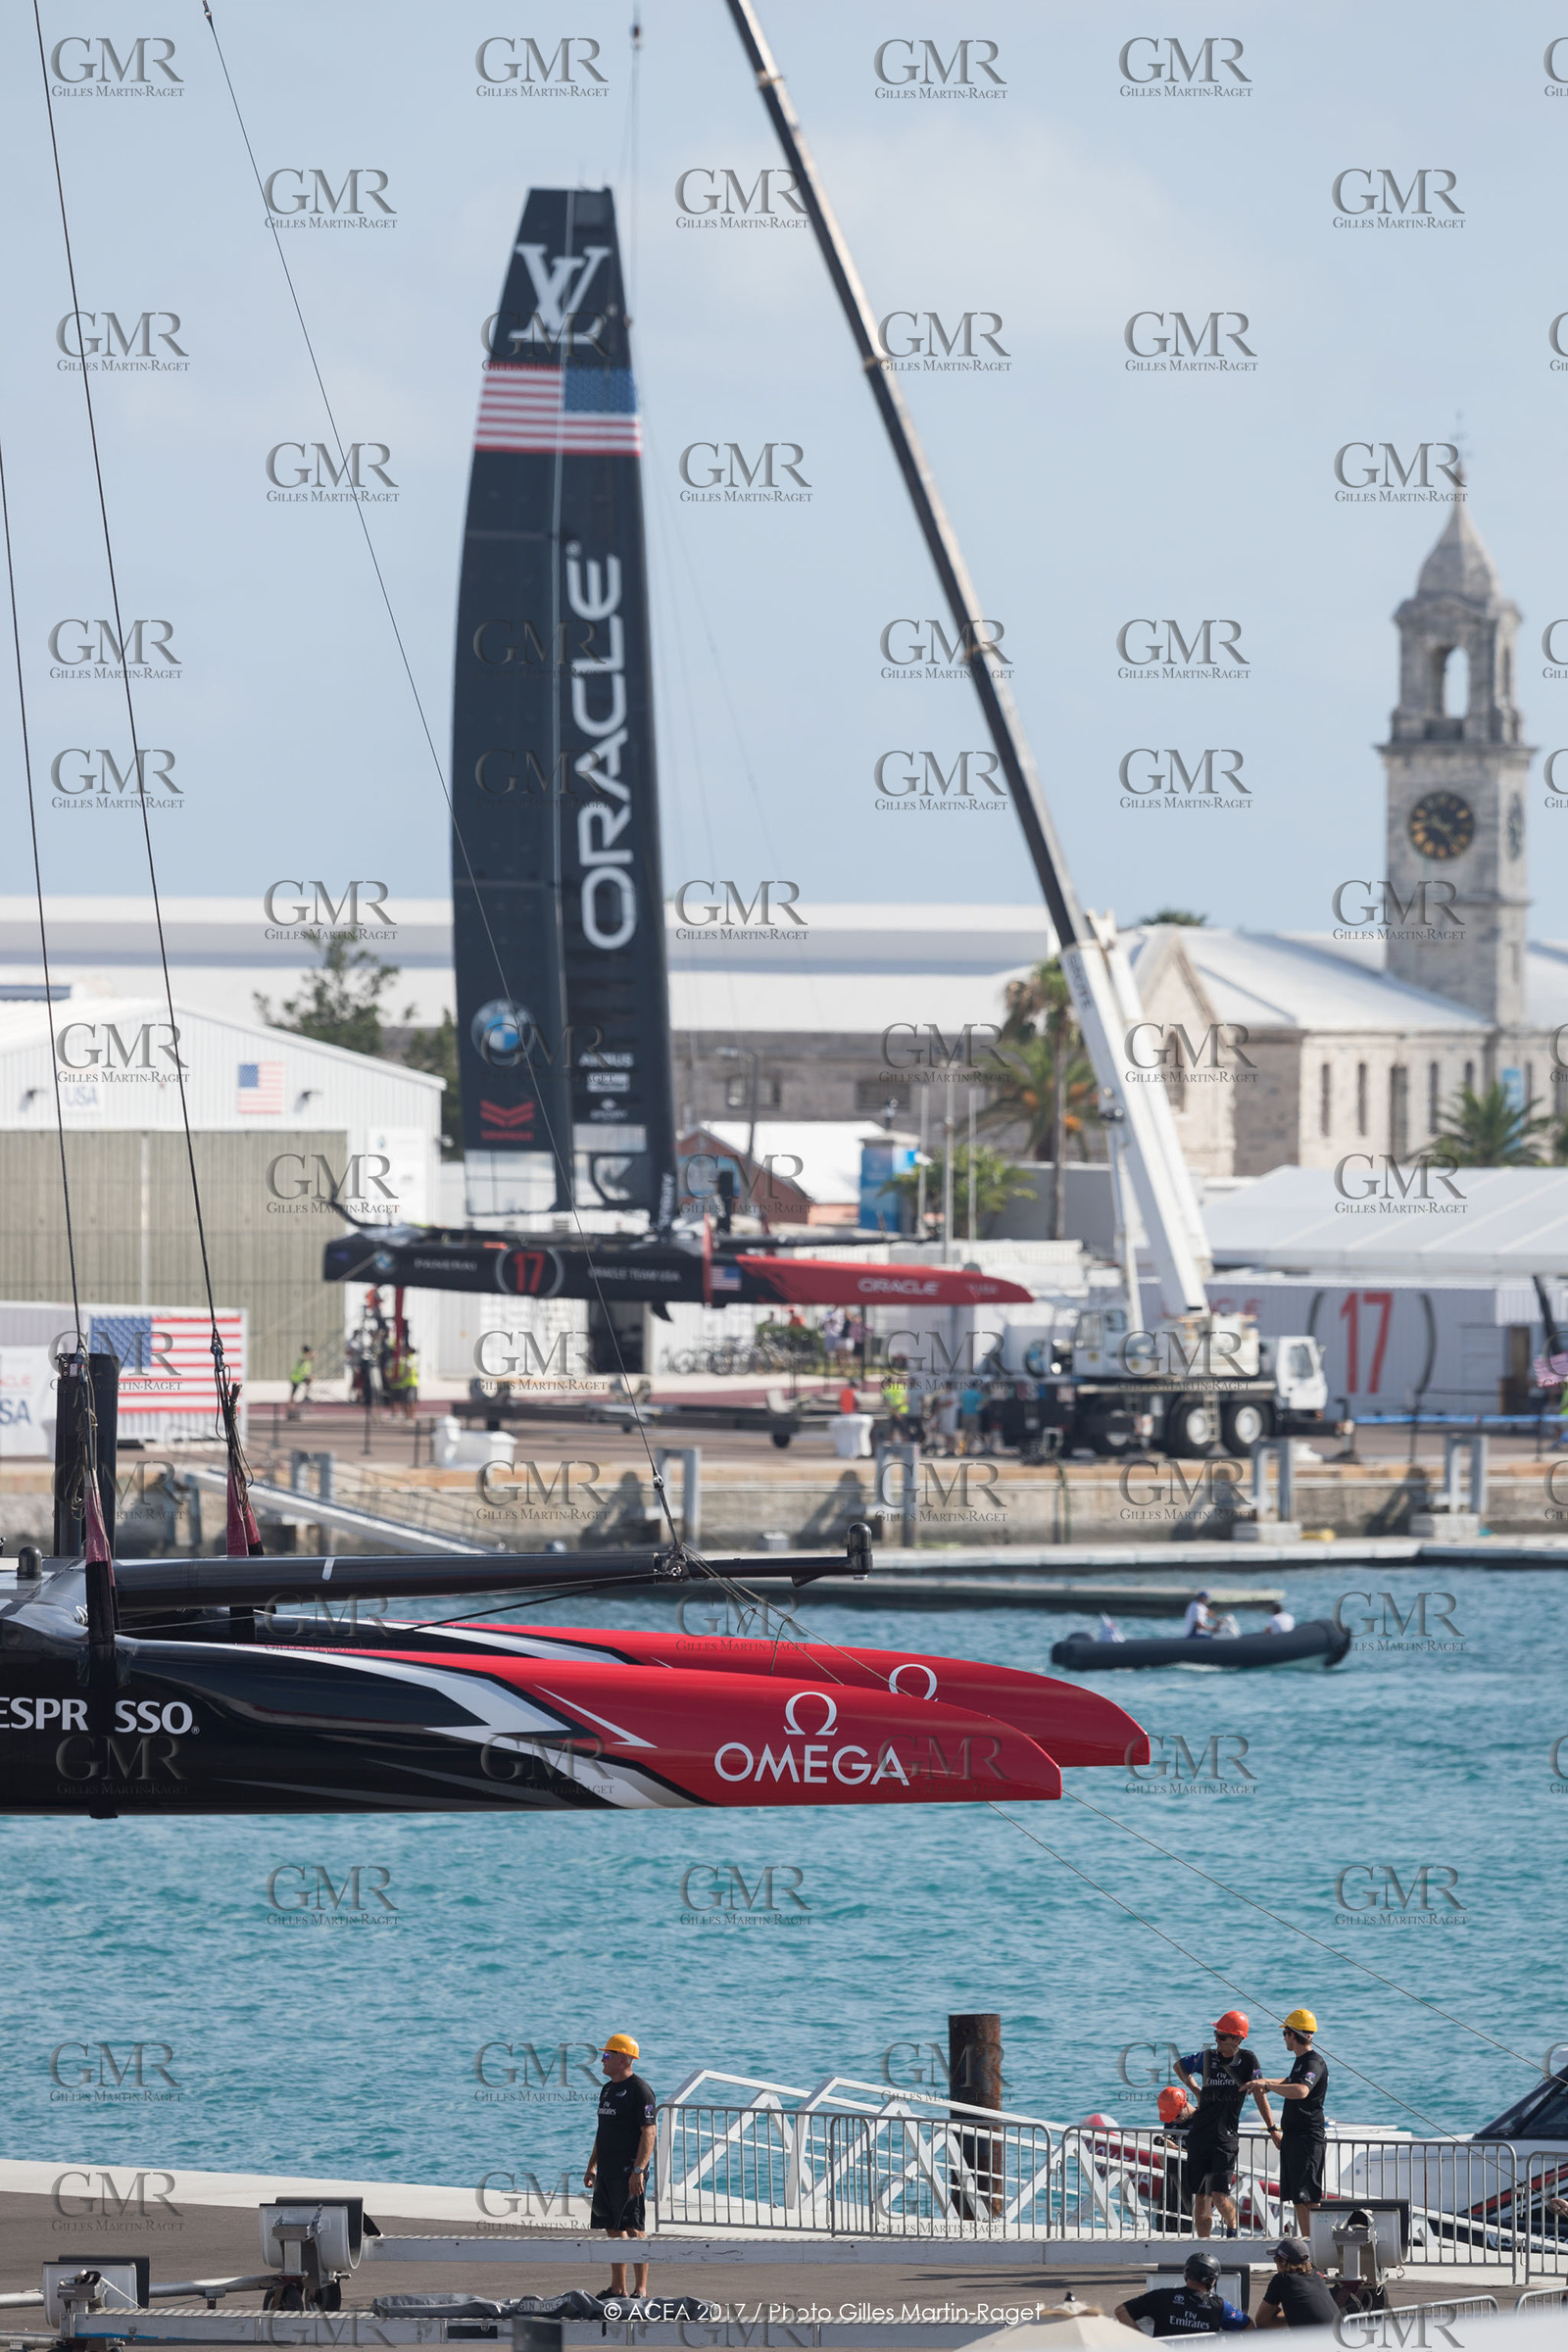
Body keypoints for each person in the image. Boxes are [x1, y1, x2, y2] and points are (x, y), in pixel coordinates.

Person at [1174, 2010, 1276, 2238]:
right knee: (1201, 2200)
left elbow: (1260, 2094)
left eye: (1222, 2036)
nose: (1217, 2040)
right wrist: (1196, 2090)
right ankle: (1204, 2248)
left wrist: (1272, 2129)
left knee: (1220, 2196)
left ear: (1238, 2039)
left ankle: (1232, 2227)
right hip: (1200, 2135)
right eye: (1216, 2035)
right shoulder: (1208, 2057)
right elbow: (1179, 2066)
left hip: (1225, 2137)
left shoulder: (1248, 2060)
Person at [584, 2033, 656, 2301]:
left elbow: (649, 2133)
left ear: (624, 2058)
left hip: (629, 2172)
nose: (602, 2060)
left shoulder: (640, 2090)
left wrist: (638, 2170)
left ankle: (641, 2290)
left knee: (634, 2227)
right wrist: (592, 2166)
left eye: (607, 2055)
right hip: (607, 2171)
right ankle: (618, 2289)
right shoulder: (607, 2089)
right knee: (613, 2228)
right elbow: (602, 2132)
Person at [1253, 2011, 1329, 2237]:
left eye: (1285, 2034)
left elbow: (1301, 2090)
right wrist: (1263, 2082)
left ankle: (1316, 2251)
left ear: (1292, 2034)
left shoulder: (1314, 2061)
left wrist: (1268, 2087)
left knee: (1309, 2200)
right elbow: (1290, 2081)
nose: (1284, 2038)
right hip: (1294, 2138)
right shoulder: (1300, 2063)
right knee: (1298, 2198)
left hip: (1308, 2139)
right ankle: (1308, 2247)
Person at [1114, 2250, 1249, 2335]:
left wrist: (1147, 2344)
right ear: (1213, 2281)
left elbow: (1121, 2311)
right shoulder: (1220, 2307)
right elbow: (1249, 2328)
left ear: (1186, 2274)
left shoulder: (1160, 2297)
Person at [1252, 2238, 1339, 2330]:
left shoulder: (1282, 2279)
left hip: (1315, 2341)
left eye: (1276, 2260)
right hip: (1341, 2337)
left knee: (1259, 2331)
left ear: (1283, 2262)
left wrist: (1282, 2316)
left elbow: (1261, 2320)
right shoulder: (1316, 2276)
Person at [287, 1345, 315, 1419]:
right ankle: (289, 1412)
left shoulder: (308, 1359)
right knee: (293, 1396)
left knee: (310, 1379)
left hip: (301, 1377)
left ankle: (306, 1395)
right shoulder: (303, 1358)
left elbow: (311, 1359)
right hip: (296, 1378)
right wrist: (310, 1355)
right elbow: (303, 1359)